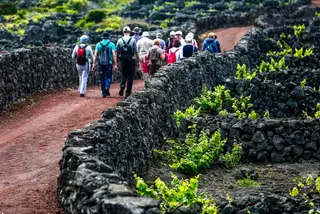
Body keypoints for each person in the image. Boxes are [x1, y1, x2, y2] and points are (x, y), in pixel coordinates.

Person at [116, 26, 139, 98]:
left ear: (123, 32)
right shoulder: (132, 40)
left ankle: (122, 84)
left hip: (123, 59)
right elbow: (136, 51)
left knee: (124, 74)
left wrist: (117, 61)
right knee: (130, 76)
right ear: (129, 32)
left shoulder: (119, 40)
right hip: (131, 59)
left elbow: (117, 52)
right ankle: (128, 91)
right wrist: (137, 60)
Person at [92, 32, 117, 98]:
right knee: (109, 77)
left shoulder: (98, 44)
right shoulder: (111, 44)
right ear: (108, 37)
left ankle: (103, 93)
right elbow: (114, 55)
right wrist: (115, 64)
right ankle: (107, 87)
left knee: (102, 78)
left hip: (100, 63)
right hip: (109, 63)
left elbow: (95, 55)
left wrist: (94, 64)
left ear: (102, 37)